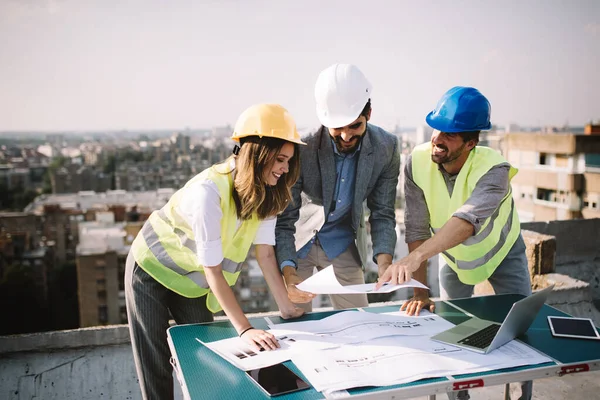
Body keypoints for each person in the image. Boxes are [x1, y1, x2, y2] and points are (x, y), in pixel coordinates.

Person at [125, 103, 314, 400]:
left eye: (289, 161)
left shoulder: (268, 194)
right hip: (150, 269)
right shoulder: (208, 193)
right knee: (157, 366)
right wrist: (245, 329)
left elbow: (265, 255)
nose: (285, 168)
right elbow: (213, 270)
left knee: (203, 359)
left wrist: (286, 307)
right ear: (257, 154)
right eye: (279, 159)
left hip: (193, 280)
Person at [377, 86, 532, 400]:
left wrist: (414, 259)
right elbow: (417, 228)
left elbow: (466, 223)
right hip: (454, 260)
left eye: (450, 135)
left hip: (503, 255)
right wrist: (420, 292)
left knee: (521, 329)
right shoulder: (417, 162)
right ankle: (457, 396)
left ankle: (521, 395)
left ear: (470, 143)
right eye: (438, 129)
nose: (438, 138)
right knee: (449, 332)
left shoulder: (494, 169)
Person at [276, 63, 400, 311]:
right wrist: (288, 273)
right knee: (295, 320)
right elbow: (285, 217)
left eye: (355, 125)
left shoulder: (387, 147)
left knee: (358, 319)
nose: (346, 136)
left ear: (369, 113)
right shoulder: (302, 148)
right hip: (299, 242)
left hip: (342, 242)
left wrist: (384, 263)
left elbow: (383, 212)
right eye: (337, 128)